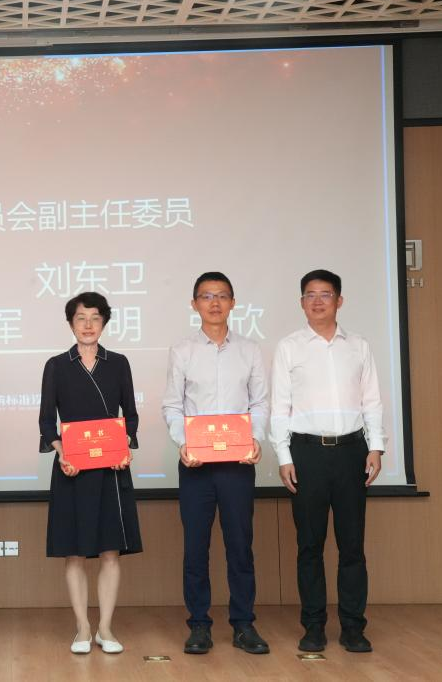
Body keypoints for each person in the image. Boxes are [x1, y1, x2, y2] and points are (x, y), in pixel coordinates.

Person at [270, 269, 385, 654]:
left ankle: (353, 627)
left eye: (325, 294)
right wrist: (284, 456)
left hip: (352, 451)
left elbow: (372, 401)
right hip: (307, 453)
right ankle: (314, 626)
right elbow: (280, 407)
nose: (317, 301)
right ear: (301, 302)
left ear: (340, 300)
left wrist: (376, 446)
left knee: (352, 546)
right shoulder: (289, 347)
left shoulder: (359, 346)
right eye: (310, 295)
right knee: (309, 545)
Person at [162, 272, 270, 655]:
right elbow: (172, 404)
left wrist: (255, 438)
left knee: (240, 546)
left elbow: (260, 402)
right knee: (196, 548)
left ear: (233, 303)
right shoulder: (183, 351)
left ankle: (243, 624)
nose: (214, 303)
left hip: (237, 463)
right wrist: (183, 442)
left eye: (222, 296)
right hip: (196, 465)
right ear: (194, 304)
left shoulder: (250, 350)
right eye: (206, 296)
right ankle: (199, 625)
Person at [38, 292, 142, 655]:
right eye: (81, 318)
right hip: (72, 468)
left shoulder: (119, 363)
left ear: (104, 323)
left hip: (111, 469)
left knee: (110, 552)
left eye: (95, 318)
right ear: (71, 323)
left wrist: (124, 446)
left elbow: (130, 415)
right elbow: (46, 421)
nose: (88, 325)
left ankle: (106, 628)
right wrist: (62, 451)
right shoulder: (57, 365)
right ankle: (82, 627)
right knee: (75, 553)